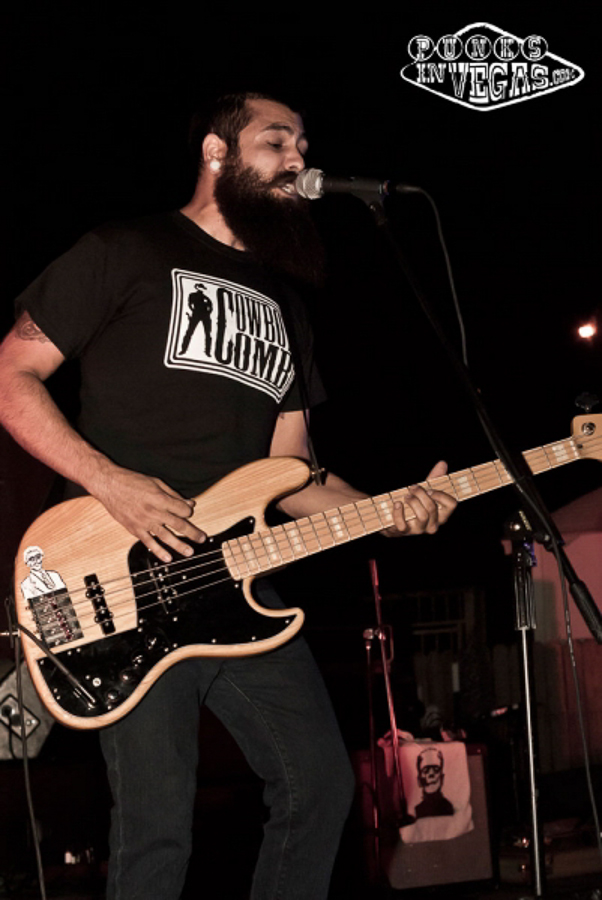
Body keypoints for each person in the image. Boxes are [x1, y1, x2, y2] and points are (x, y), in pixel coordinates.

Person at [0, 91, 457, 900]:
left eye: (303, 144)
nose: (298, 158)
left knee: (321, 787)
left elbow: (293, 474)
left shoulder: (286, 307)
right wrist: (110, 481)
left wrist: (390, 512)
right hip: (122, 573)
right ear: (217, 151)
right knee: (157, 827)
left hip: (236, 579)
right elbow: (12, 376)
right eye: (276, 141)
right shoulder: (125, 248)